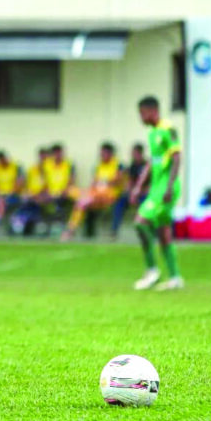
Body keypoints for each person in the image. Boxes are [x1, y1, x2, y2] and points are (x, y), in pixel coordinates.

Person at [130, 96, 184, 291]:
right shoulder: (152, 133)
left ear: (152, 111)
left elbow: (177, 158)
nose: (141, 118)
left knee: (140, 222)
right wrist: (138, 186)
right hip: (156, 188)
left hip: (165, 188)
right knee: (164, 233)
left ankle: (152, 270)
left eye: (142, 113)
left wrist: (169, 187)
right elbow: (152, 163)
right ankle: (175, 278)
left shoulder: (167, 129)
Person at [61, 142, 124, 240]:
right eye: (101, 154)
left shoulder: (118, 164)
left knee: (82, 202)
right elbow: (94, 183)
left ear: (110, 153)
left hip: (109, 196)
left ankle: (70, 230)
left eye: (103, 153)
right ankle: (71, 229)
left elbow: (118, 181)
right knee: (74, 193)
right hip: (95, 195)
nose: (101, 156)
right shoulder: (98, 166)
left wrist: (104, 181)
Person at [111, 143, 148, 237]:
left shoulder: (147, 166)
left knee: (146, 205)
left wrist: (138, 192)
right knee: (119, 203)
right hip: (135, 193)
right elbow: (131, 182)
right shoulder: (133, 166)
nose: (133, 155)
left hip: (145, 194)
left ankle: (146, 232)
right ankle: (114, 231)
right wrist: (131, 193)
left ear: (140, 154)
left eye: (135, 153)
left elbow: (151, 185)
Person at [43, 144, 76, 225]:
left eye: (59, 153)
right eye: (56, 153)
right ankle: (45, 225)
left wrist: (64, 191)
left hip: (64, 192)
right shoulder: (47, 165)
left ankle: (61, 224)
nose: (58, 155)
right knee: (39, 200)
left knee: (62, 200)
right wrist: (47, 192)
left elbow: (71, 180)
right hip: (51, 193)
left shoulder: (69, 164)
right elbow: (45, 181)